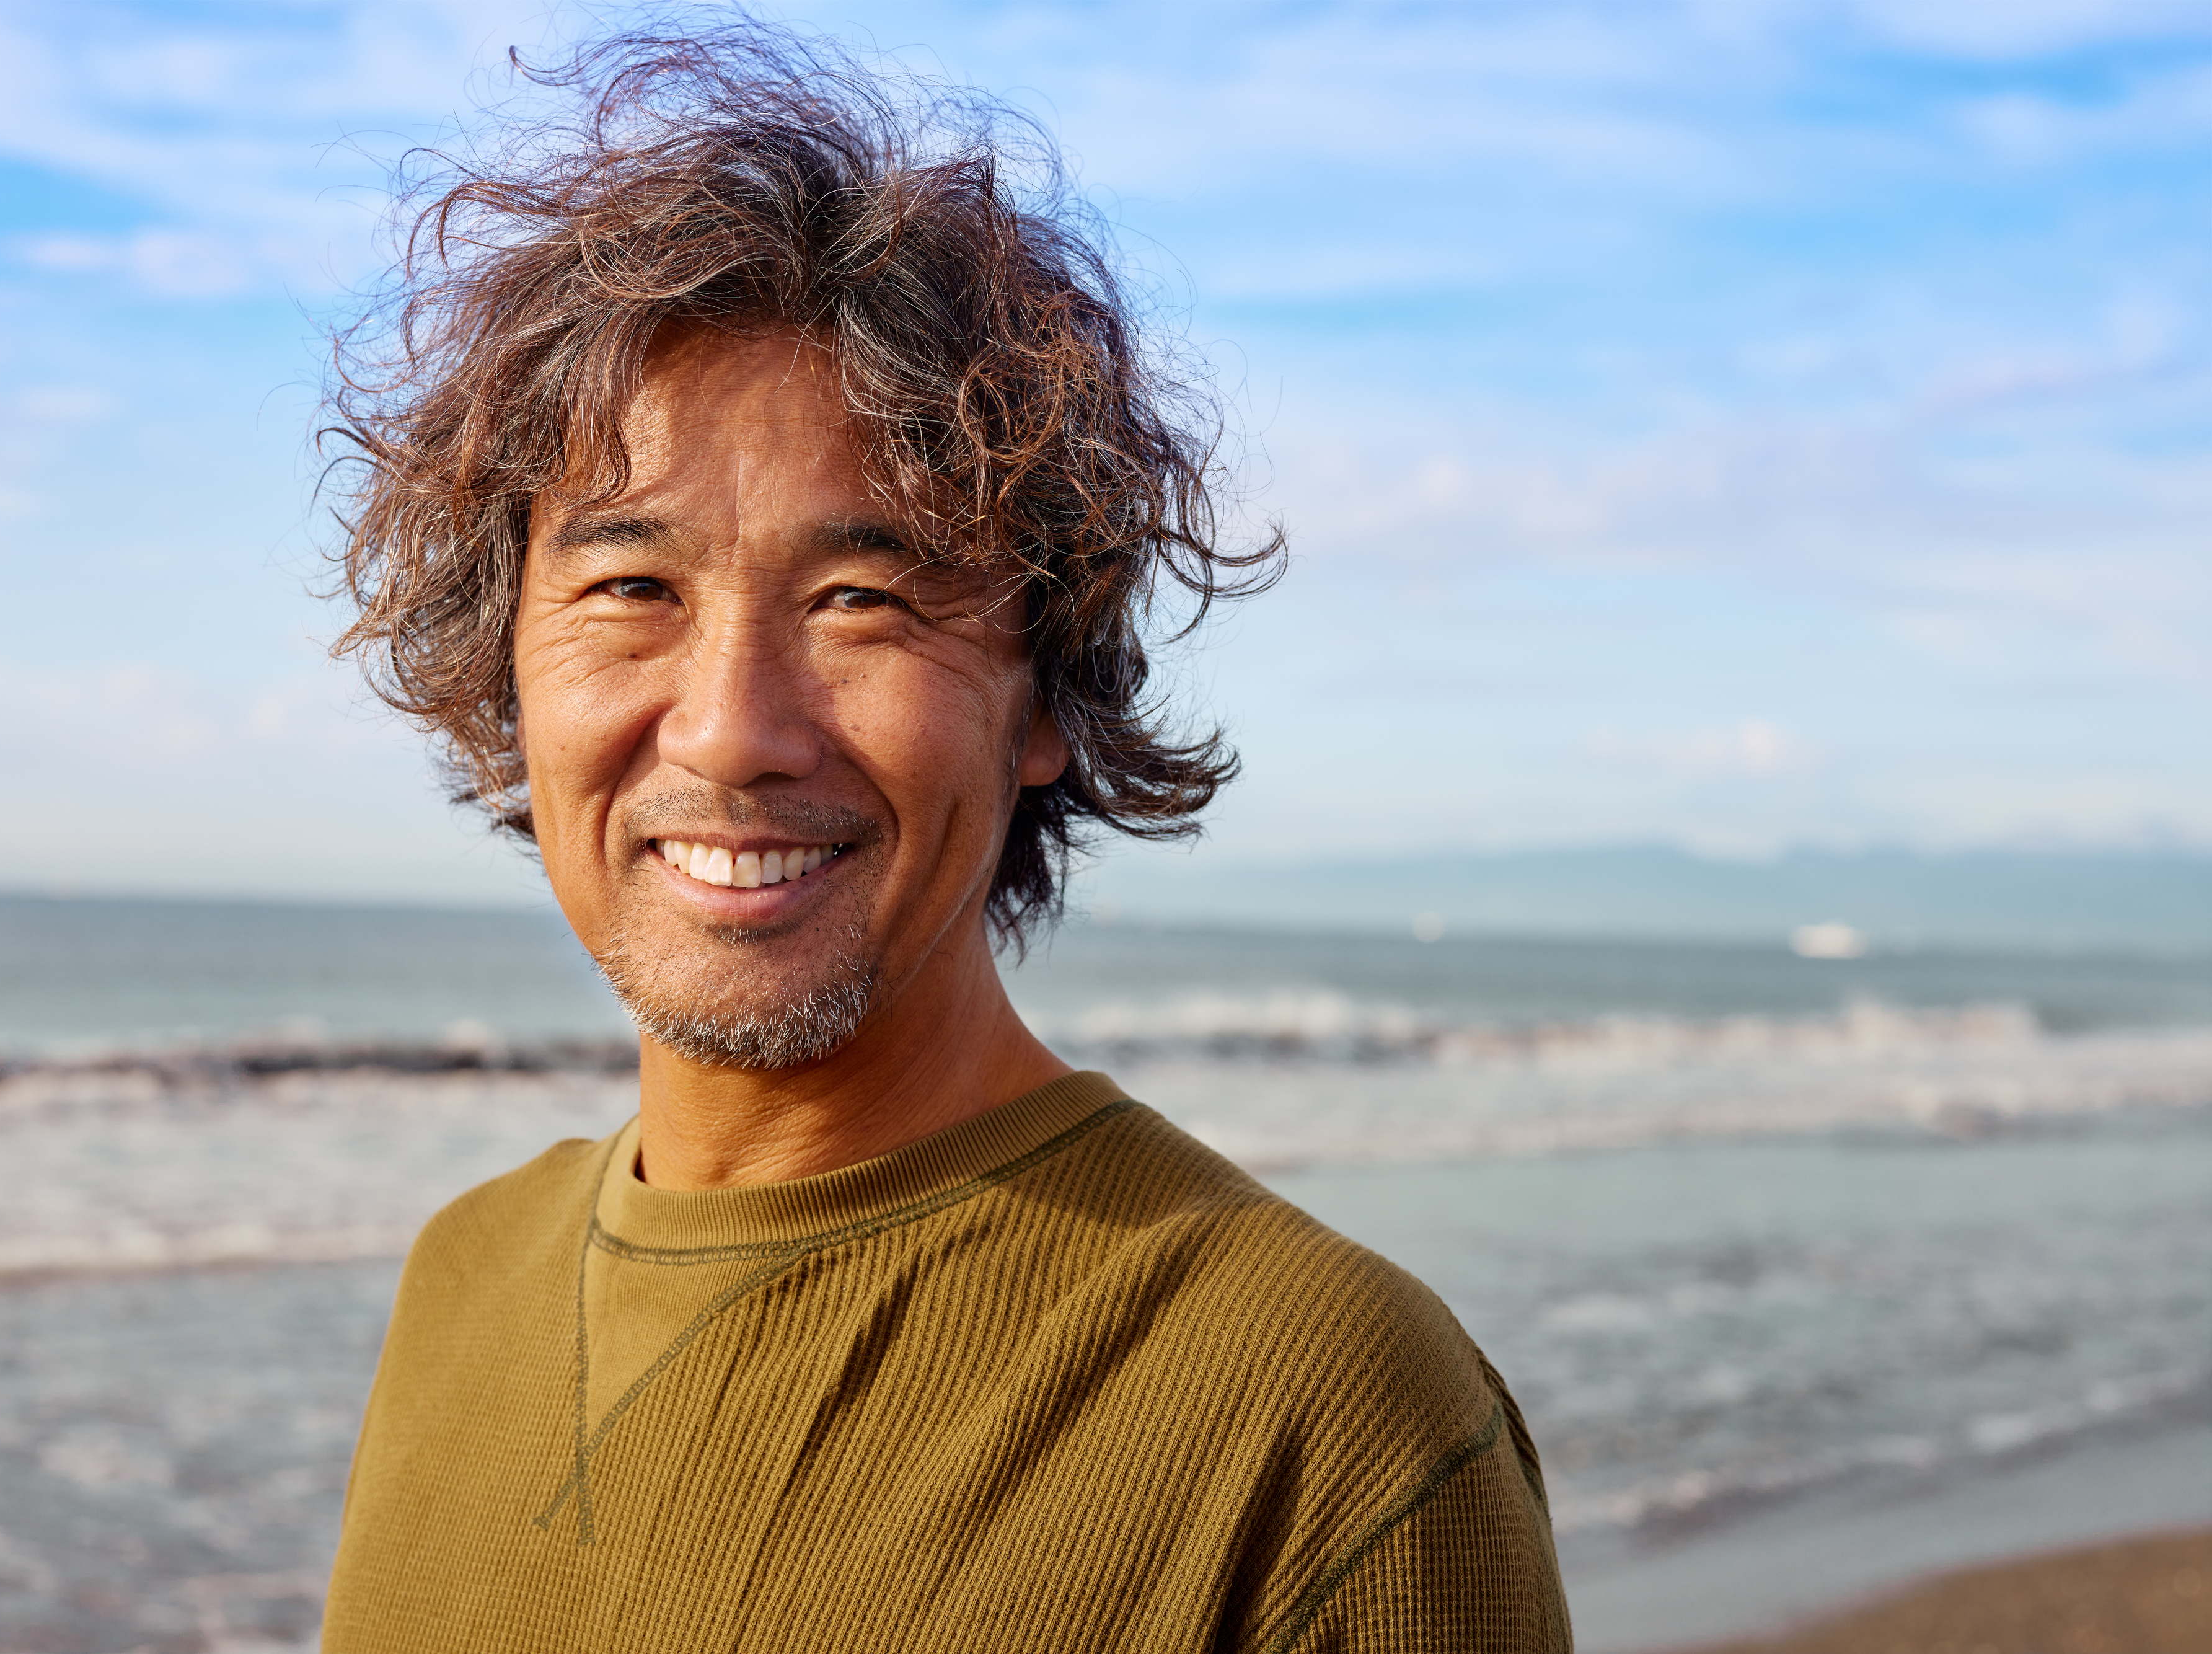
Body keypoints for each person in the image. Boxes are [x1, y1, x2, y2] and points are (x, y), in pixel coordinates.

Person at [318, 22, 1569, 1652]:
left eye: (865, 600)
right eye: (633, 587)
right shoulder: (461, 1278)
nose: (728, 727)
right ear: (509, 664)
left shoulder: (1326, 1417)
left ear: (1044, 692)